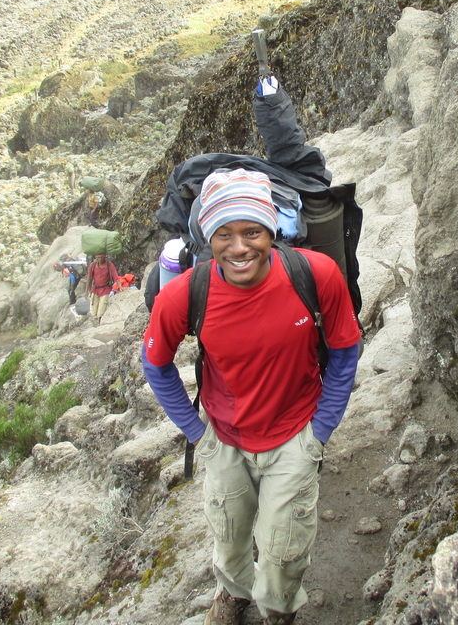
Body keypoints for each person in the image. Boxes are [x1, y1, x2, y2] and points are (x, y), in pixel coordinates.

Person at [142, 168, 361, 625]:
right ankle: (234, 593)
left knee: (284, 549)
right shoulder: (185, 295)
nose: (239, 247)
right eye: (224, 233)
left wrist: (319, 431)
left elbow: (344, 351)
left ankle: (279, 610)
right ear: (207, 235)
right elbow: (156, 364)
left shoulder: (315, 275)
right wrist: (197, 434)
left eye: (252, 231)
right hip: (224, 439)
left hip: (296, 435)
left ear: (271, 230)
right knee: (229, 533)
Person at [83, 253, 119, 322]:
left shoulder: (109, 265)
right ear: (96, 258)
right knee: (93, 311)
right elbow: (89, 278)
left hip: (105, 289)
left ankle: (99, 321)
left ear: (105, 258)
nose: (100, 259)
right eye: (99, 258)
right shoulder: (93, 265)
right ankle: (94, 323)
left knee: (101, 311)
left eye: (102, 258)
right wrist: (86, 290)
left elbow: (116, 277)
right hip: (95, 289)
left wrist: (120, 286)